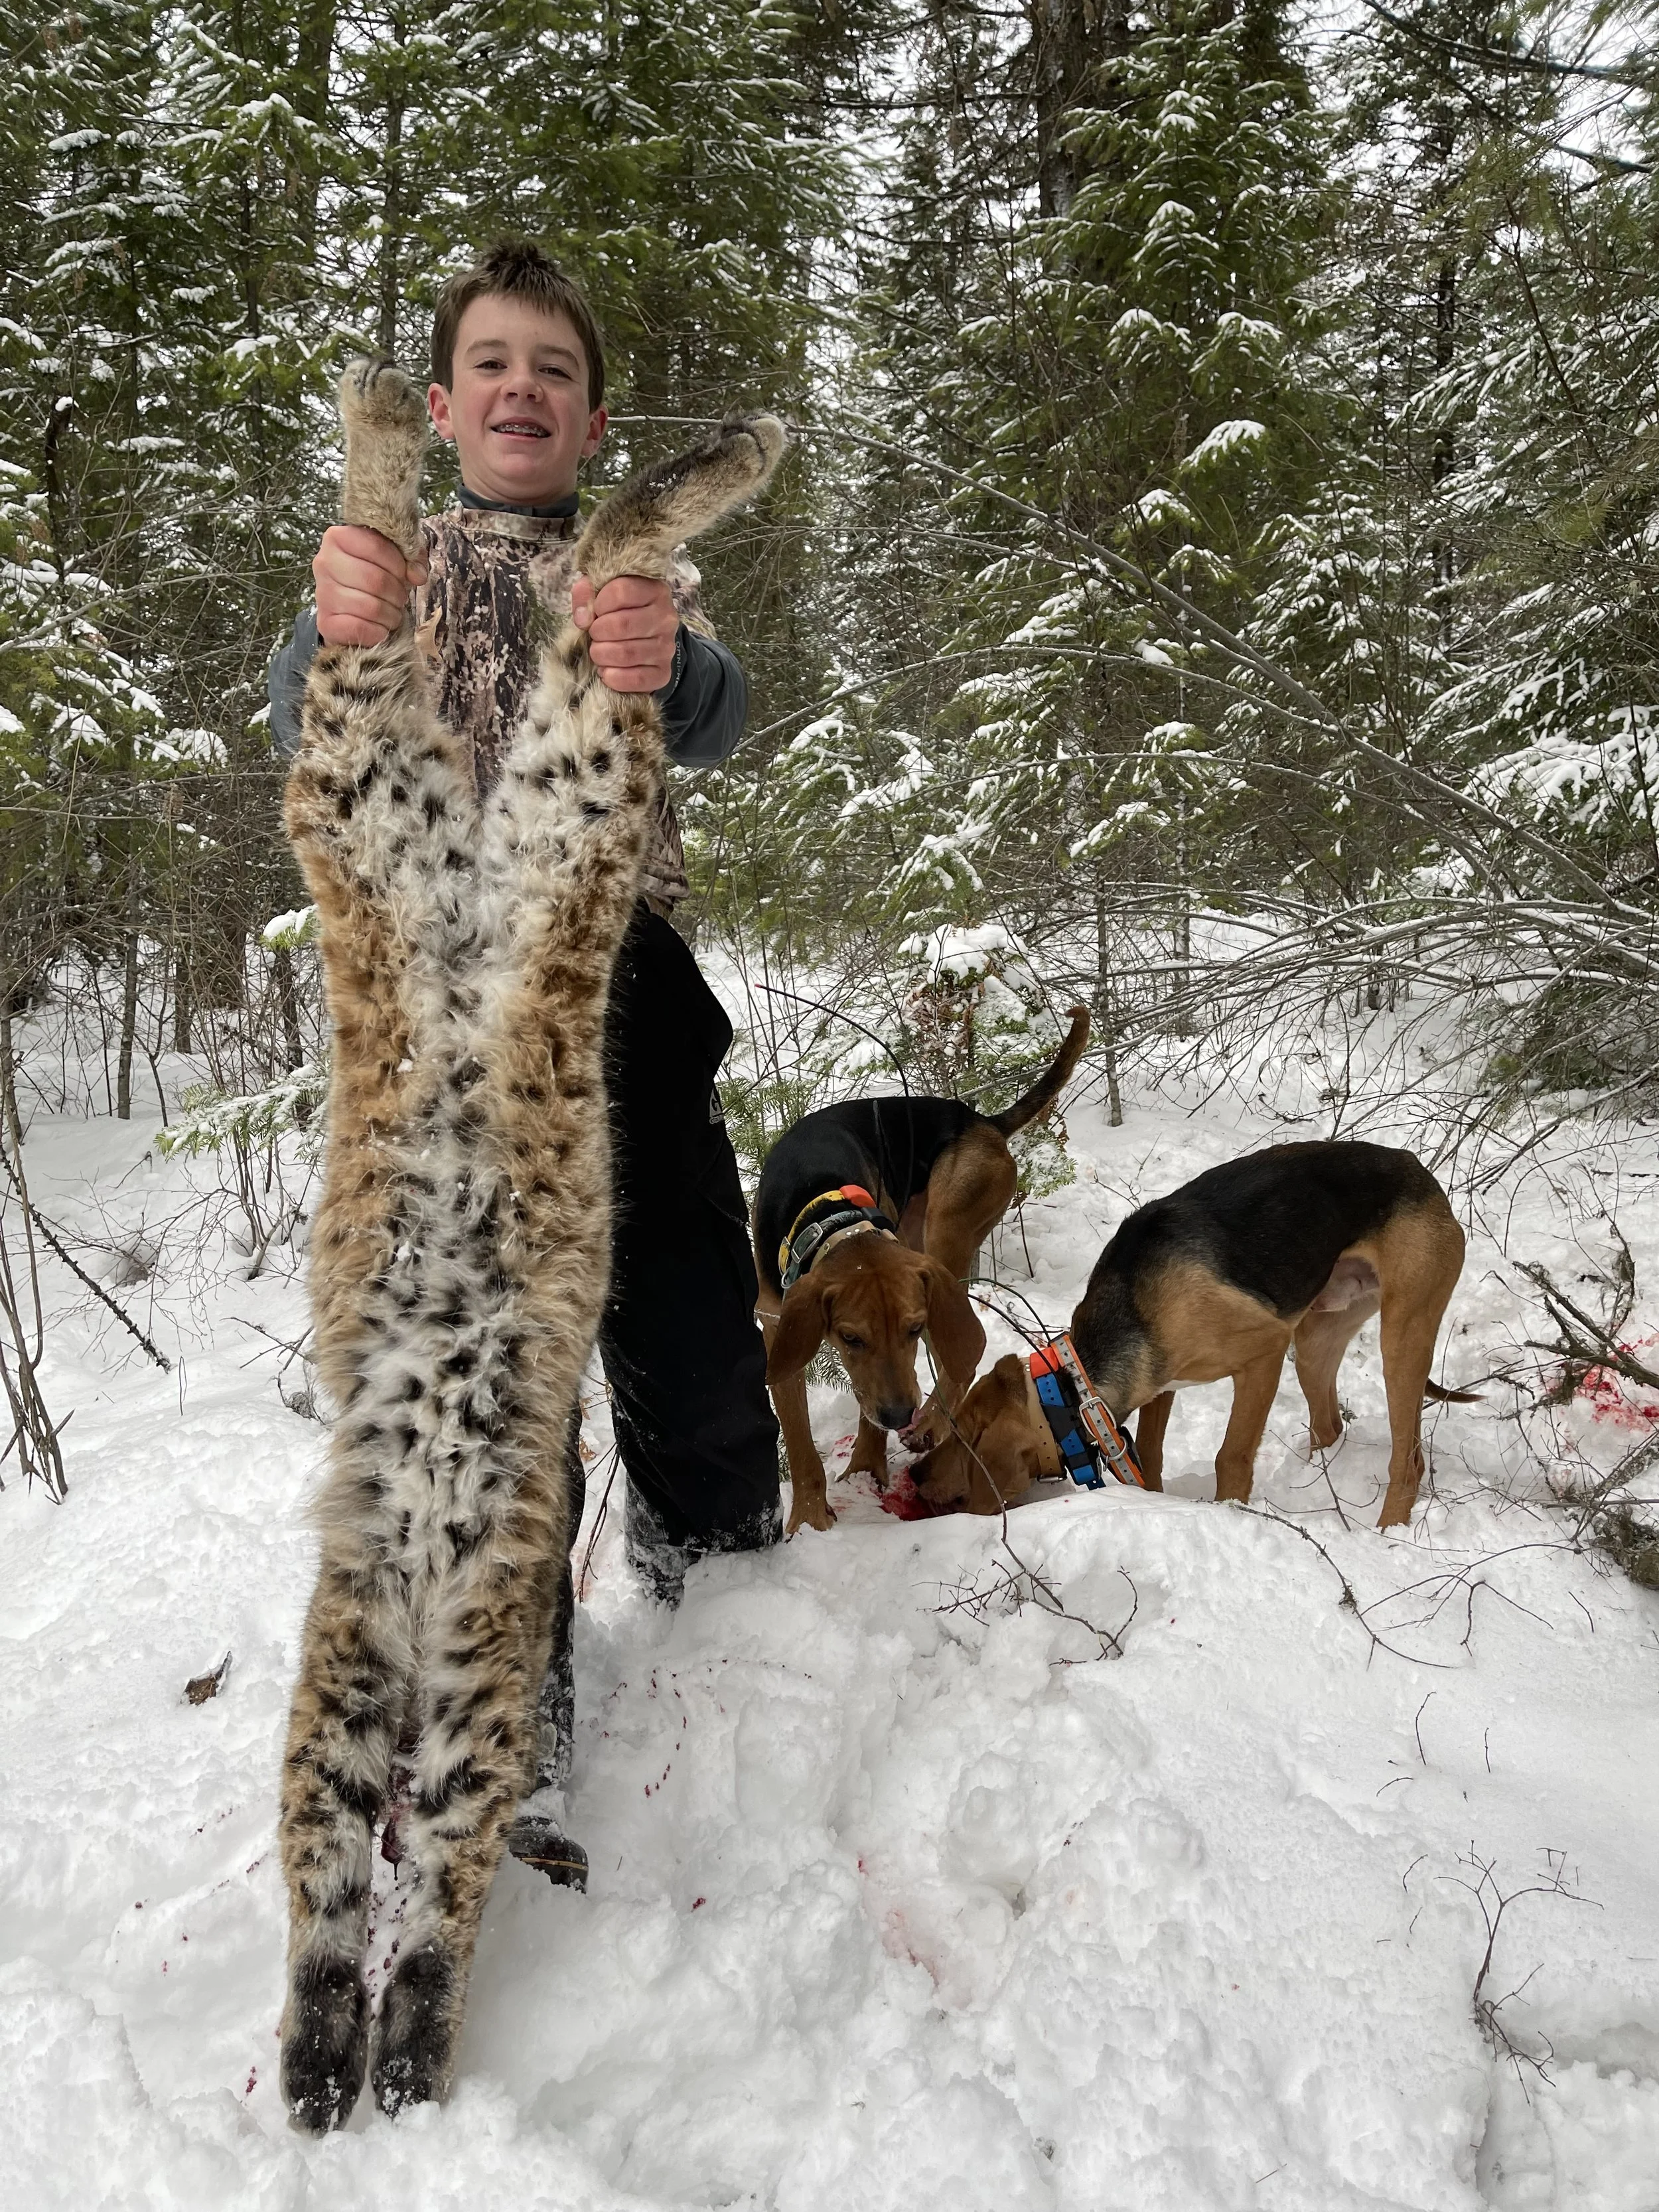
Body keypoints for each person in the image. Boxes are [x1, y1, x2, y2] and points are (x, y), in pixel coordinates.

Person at [268, 238, 782, 1881]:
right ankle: (516, 1682)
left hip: (615, 971)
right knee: (490, 1346)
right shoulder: (387, 558)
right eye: (490, 364)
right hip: (435, 994)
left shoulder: (634, 570)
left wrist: (662, 653)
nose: (519, 391)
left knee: (691, 1299)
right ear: (443, 401)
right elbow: (309, 703)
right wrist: (322, 632)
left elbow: (709, 709)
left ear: (590, 418)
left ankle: (723, 1568)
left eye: (551, 372)